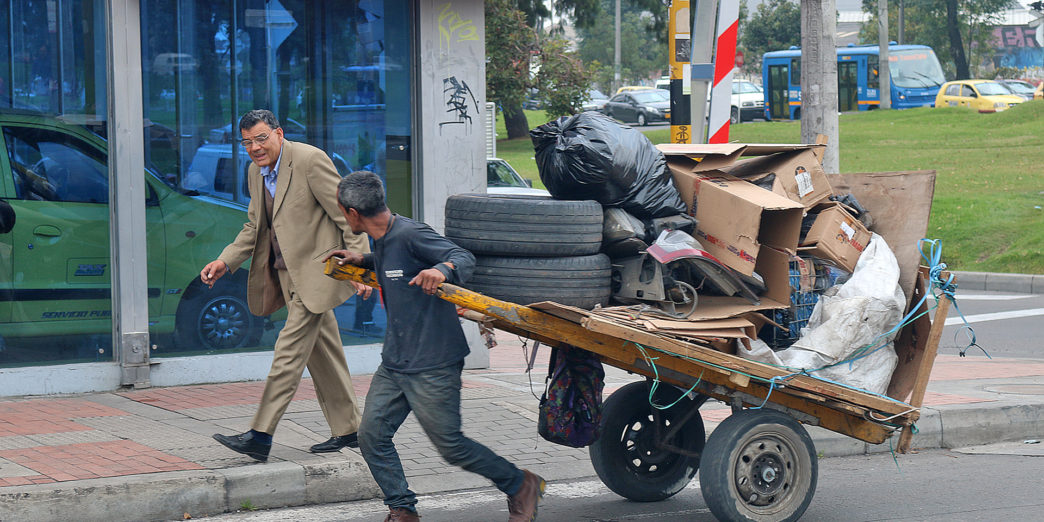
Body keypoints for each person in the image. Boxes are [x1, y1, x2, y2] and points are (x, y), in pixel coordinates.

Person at [327, 171, 545, 522]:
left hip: (433, 362)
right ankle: (402, 509)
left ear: (353, 213)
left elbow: (462, 257)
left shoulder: (411, 233)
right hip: (396, 360)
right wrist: (362, 261)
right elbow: (395, 266)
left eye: (342, 211)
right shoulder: (380, 239)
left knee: (452, 446)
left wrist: (443, 269)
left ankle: (521, 484)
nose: (342, 217)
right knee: (371, 436)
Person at [200, 109, 369, 462]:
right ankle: (350, 429)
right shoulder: (255, 172)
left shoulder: (309, 160)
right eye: (247, 142)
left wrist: (362, 268)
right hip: (284, 275)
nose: (255, 148)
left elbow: (346, 215)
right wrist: (225, 260)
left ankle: (260, 435)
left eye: (261, 138)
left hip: (318, 274)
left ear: (278, 133)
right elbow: (254, 227)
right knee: (324, 354)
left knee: (288, 354)